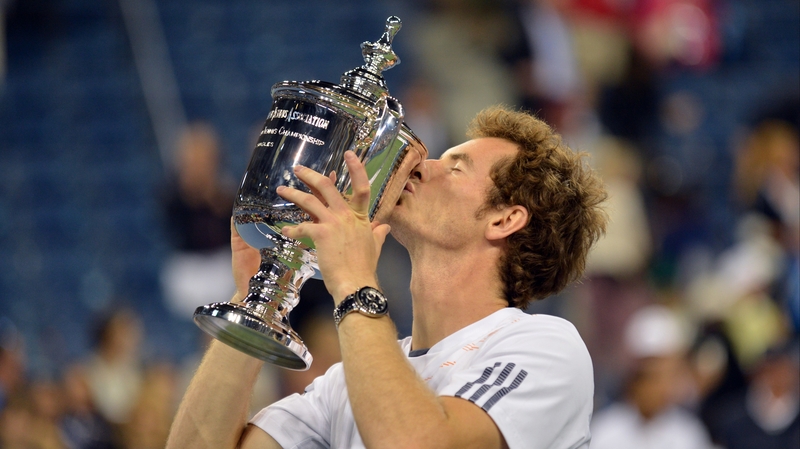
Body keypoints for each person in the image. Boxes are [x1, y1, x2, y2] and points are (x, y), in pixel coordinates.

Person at [166, 105, 608, 449]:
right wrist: (254, 301)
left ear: (504, 220)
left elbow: (414, 443)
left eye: (454, 167)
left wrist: (354, 280)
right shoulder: (348, 379)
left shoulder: (545, 346)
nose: (418, 165)